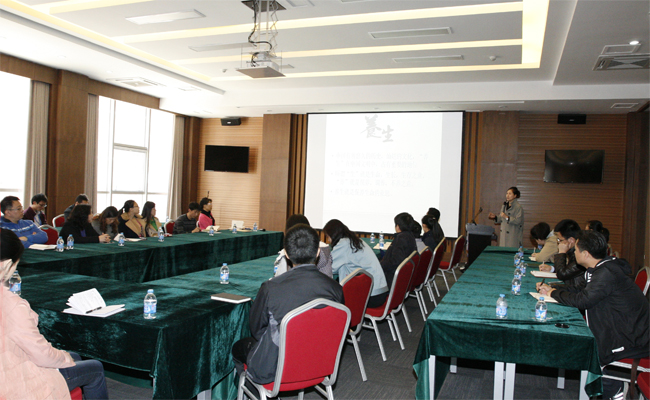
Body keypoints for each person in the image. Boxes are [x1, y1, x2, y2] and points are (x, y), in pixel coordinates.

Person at [537, 230, 649, 400]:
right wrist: (553, 289)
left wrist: (553, 293)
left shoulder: (606, 273)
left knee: (584, 345)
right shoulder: (601, 268)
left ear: (586, 254)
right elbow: (580, 290)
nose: (574, 253)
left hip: (631, 339)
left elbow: (583, 300)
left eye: (576, 250)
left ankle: (614, 389)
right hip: (624, 328)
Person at [0, 229, 109, 400]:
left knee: (74, 357)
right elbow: (41, 354)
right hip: (12, 380)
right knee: (94, 367)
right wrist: (63, 357)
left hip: (8, 360)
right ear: (7, 264)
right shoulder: (11, 305)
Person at [231, 224, 344, 385]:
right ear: (318, 252)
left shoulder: (270, 288)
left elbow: (257, 330)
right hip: (320, 363)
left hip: (276, 368)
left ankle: (252, 390)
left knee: (239, 347)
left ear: (287, 255)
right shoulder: (335, 288)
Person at [323, 219, 389, 308]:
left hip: (371, 296)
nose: (328, 240)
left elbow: (329, 267)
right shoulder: (355, 241)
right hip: (380, 291)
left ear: (333, 235)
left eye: (328, 237)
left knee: (331, 298)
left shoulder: (344, 244)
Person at [539, 219, 585, 287]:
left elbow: (562, 275)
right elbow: (569, 270)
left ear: (571, 240)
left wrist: (561, 253)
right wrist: (552, 269)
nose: (558, 242)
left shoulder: (582, 254)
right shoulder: (573, 249)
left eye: (560, 240)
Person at [380, 212, 417, 287]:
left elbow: (395, 261)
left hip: (391, 278)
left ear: (398, 226)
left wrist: (380, 265)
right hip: (404, 276)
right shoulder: (410, 236)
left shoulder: (401, 238)